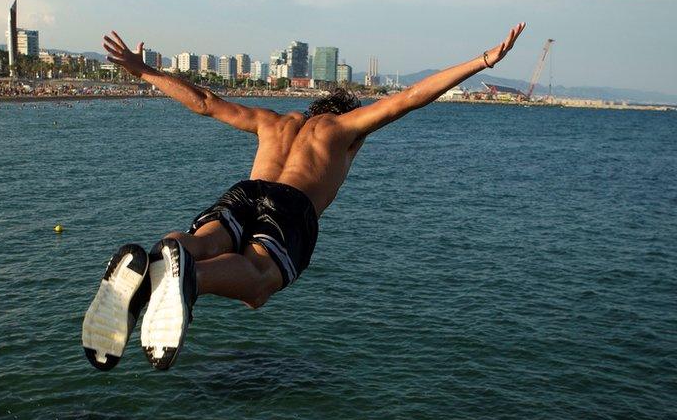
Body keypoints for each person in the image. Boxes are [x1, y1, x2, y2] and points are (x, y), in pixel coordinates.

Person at [82, 23, 526, 371]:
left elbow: (204, 102)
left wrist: (143, 71)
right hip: (290, 205)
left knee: (209, 241)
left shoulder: (271, 121)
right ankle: (190, 280)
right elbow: (408, 98)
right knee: (257, 284)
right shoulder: (342, 128)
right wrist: (483, 60)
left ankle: (170, 256)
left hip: (246, 190)